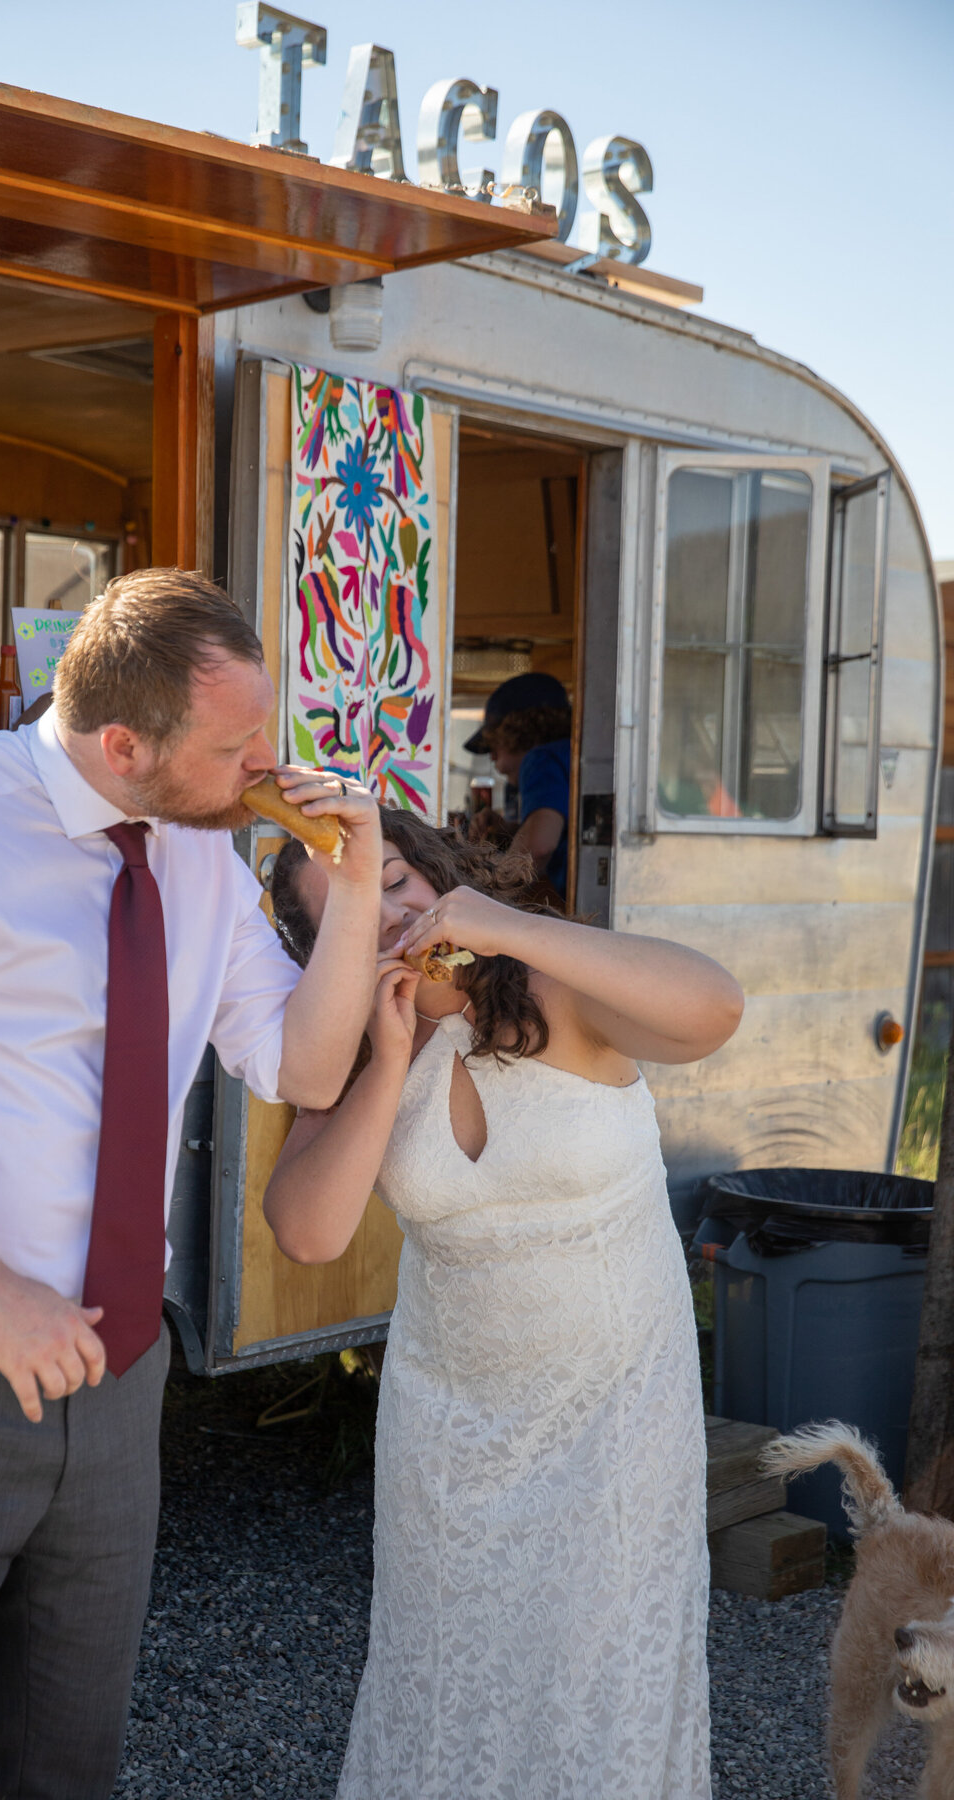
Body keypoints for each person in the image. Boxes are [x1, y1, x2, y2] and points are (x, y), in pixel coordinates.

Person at [0, 569, 384, 1800]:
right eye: (235, 745)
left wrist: (358, 884)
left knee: (69, 1763)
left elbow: (304, 1069)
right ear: (122, 745)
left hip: (116, 1375)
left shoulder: (200, 849)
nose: (268, 764)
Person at [265, 807, 744, 1799]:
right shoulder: (350, 1055)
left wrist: (503, 923)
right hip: (449, 1443)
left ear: (435, 872)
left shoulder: (550, 985)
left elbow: (715, 1009)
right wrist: (392, 1057)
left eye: (391, 877)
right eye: (348, 908)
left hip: (617, 1423)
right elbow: (309, 1232)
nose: (385, 908)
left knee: (603, 1691)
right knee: (446, 1695)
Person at [463, 671, 572, 897]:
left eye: (494, 745)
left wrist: (488, 895)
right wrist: (506, 828)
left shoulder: (541, 759)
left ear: (518, 732)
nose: (492, 758)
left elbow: (540, 846)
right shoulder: (569, 755)